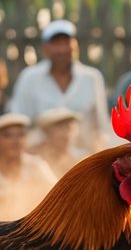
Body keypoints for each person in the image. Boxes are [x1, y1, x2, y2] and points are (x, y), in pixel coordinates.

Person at [9, 19, 107, 151]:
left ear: (75, 45)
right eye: (56, 43)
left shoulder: (92, 77)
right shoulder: (29, 78)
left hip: (84, 158)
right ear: (45, 48)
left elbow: (101, 126)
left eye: (66, 42)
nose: (62, 50)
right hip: (40, 157)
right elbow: (18, 122)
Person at [30, 108, 86, 176]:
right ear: (47, 131)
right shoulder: (32, 157)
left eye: (69, 128)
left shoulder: (80, 158)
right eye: (61, 127)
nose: (67, 134)